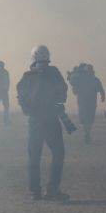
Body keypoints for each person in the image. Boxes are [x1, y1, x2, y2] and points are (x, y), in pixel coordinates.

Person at [17, 45, 70, 201]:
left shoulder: (27, 76)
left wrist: (28, 110)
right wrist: (56, 104)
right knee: (58, 153)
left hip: (34, 121)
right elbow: (63, 91)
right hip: (51, 119)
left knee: (34, 156)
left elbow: (21, 95)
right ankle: (52, 190)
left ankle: (34, 192)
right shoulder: (53, 72)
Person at [73, 64, 105, 144]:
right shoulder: (81, 80)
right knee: (84, 119)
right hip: (83, 102)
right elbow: (75, 87)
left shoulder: (95, 80)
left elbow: (101, 89)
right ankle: (87, 132)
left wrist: (103, 96)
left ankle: (87, 133)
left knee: (89, 119)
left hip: (90, 102)